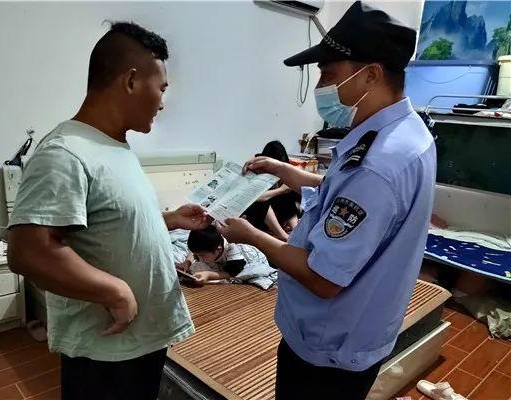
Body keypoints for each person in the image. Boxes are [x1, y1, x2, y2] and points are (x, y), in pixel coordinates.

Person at [217, 2, 436, 399]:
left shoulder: (377, 165)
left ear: (371, 74)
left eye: (328, 74)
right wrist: (290, 173)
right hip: (358, 330)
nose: (320, 87)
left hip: (328, 347)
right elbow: (347, 192)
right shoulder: (406, 131)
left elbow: (323, 278)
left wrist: (251, 235)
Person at [7, 22, 209, 400]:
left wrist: (168, 220)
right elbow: (28, 250)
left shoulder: (114, 147)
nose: (162, 102)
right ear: (131, 80)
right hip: (106, 353)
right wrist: (114, 291)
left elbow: (108, 221)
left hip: (138, 341)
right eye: (162, 88)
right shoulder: (65, 152)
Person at [243, 140, 300, 241]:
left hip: (278, 212)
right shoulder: (255, 169)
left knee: (289, 192)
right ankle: (283, 235)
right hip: (260, 215)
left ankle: (296, 231)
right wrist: (280, 190)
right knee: (261, 201)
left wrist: (286, 188)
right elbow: (253, 197)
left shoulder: (283, 169)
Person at [183, 225, 268, 285]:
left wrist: (209, 274)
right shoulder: (209, 247)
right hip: (225, 262)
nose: (200, 258)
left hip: (251, 261)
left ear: (218, 249)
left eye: (203, 256)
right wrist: (187, 262)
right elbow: (194, 253)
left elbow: (232, 272)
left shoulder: (232, 250)